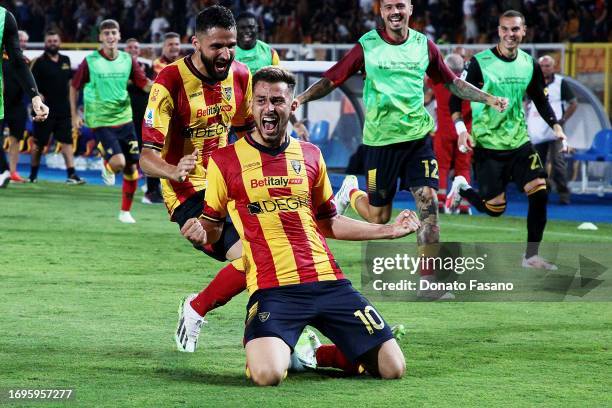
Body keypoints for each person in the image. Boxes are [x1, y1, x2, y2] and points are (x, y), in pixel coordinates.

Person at [180, 66, 420, 385]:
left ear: (292, 106)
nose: (269, 108)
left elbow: (329, 222)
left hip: (328, 282)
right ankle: (271, 347)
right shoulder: (225, 161)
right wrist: (200, 234)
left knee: (393, 368)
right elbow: (212, 227)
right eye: (262, 100)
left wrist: (388, 231)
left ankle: (312, 354)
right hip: (273, 289)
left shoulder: (311, 155)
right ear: (251, 105)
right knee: (268, 375)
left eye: (278, 101)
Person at [296, 0, 506, 288]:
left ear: (410, 9)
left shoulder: (424, 45)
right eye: (389, 7)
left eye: (401, 6)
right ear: (381, 12)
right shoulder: (367, 45)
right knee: (379, 216)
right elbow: (333, 79)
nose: (395, 12)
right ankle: (351, 192)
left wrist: (488, 98)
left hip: (417, 140)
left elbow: (452, 81)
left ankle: (428, 281)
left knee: (428, 204)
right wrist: (302, 98)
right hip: (380, 143)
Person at [140, 6, 255, 351]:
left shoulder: (240, 75)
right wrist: (173, 170)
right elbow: (146, 157)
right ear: (196, 43)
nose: (226, 53)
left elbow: (246, 133)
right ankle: (197, 308)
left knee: (274, 257)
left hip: (228, 186)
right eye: (217, 46)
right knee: (253, 259)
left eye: (231, 45)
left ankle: (280, 339)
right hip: (186, 192)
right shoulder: (169, 82)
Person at [446, 10, 567, 270]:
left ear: (524, 32)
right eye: (505, 29)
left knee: (540, 191)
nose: (510, 34)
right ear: (498, 31)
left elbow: (540, 99)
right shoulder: (480, 62)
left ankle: (531, 256)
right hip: (488, 145)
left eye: (515, 29)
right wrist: (461, 130)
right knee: (494, 209)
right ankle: (462, 188)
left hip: (519, 142)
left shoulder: (529, 64)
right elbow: (456, 96)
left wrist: (556, 125)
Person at [70, 19, 152, 223]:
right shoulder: (90, 61)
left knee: (132, 170)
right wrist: (74, 115)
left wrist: (167, 85)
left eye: (113, 32)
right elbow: (74, 87)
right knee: (119, 162)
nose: (110, 37)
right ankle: (107, 163)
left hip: (125, 119)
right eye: (106, 33)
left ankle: (125, 212)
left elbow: (144, 85)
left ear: (119, 35)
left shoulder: (127, 60)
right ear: (100, 37)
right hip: (101, 120)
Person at [234, 11, 308, 140]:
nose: (247, 31)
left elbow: (281, 92)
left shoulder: (269, 52)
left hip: (264, 118)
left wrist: (295, 122)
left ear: (258, 29)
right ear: (235, 30)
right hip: (234, 122)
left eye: (251, 27)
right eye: (243, 28)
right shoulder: (228, 53)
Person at [0, 8, 48, 188]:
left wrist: (35, 97)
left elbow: (18, 63)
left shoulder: (4, 18)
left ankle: (8, 171)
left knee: (15, 139)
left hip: (9, 104)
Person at [29, 30, 85, 184]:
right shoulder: (38, 62)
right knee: (39, 144)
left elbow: (71, 85)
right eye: (49, 41)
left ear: (59, 43)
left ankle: (71, 174)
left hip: (63, 110)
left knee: (67, 142)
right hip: (44, 111)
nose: (52, 43)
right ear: (45, 43)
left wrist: (73, 106)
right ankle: (33, 175)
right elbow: (31, 85)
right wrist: (38, 98)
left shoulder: (66, 60)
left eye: (55, 41)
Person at [527, 55, 576, 205]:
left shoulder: (561, 83)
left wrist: (562, 121)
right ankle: (542, 192)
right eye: (542, 66)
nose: (544, 68)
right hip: (537, 130)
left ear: (553, 67)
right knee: (538, 164)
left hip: (556, 130)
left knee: (557, 162)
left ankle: (563, 192)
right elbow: (526, 102)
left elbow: (573, 103)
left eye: (548, 66)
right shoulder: (533, 82)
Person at [428, 53, 472, 214]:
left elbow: (429, 75)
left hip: (444, 131)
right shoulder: (470, 83)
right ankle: (464, 205)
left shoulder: (439, 81)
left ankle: (439, 202)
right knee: (464, 168)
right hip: (465, 131)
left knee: (441, 167)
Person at [125, 37, 161, 204]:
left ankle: (149, 187)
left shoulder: (147, 66)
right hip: (125, 114)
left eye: (136, 47)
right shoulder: (121, 65)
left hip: (144, 114)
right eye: (130, 47)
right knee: (131, 152)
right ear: (126, 50)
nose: (133, 50)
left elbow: (150, 84)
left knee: (147, 149)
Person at [2, 30, 30, 183]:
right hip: (1, 104)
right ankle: (3, 170)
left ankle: (12, 172)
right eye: (20, 39)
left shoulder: (25, 61)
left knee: (15, 139)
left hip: (17, 106)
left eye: (24, 40)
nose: (22, 42)